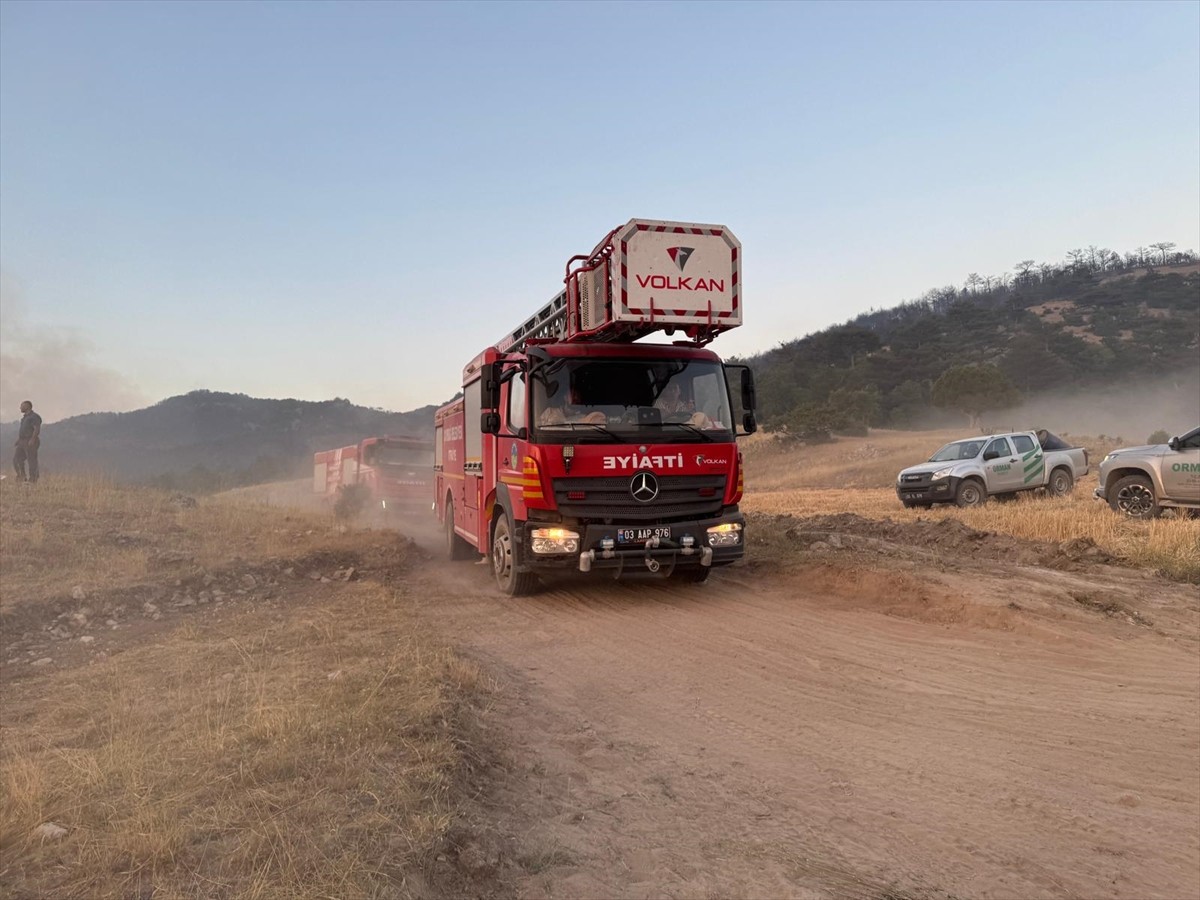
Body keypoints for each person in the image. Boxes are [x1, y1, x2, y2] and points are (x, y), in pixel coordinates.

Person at [13, 400, 42, 484]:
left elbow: (36, 428)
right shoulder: (24, 418)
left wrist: (33, 439)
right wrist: (18, 440)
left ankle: (33, 479)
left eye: (22, 406)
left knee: (31, 459)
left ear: (27, 406)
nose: (20, 407)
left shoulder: (34, 416)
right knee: (16, 459)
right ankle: (22, 476)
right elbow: (24, 430)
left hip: (30, 441)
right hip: (22, 441)